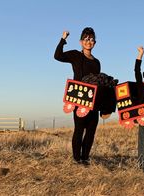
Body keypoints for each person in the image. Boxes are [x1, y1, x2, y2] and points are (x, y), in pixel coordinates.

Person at [54, 27, 101, 165]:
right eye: (86, 39)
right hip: (79, 98)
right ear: (81, 42)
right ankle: (76, 158)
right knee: (79, 129)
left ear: (95, 43)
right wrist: (63, 39)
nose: (89, 42)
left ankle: (85, 158)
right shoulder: (76, 55)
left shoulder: (97, 62)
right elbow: (58, 56)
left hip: (94, 100)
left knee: (91, 130)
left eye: (92, 39)